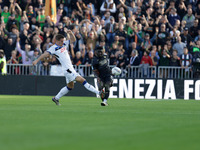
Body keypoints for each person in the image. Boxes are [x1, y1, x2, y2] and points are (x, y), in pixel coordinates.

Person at [33, 32, 102, 106]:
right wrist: (36, 60)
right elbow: (45, 54)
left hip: (70, 69)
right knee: (83, 80)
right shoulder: (53, 48)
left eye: (63, 41)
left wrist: (71, 33)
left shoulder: (64, 44)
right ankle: (99, 93)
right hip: (68, 70)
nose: (63, 42)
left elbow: (73, 40)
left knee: (70, 87)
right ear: (57, 40)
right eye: (61, 41)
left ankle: (56, 98)